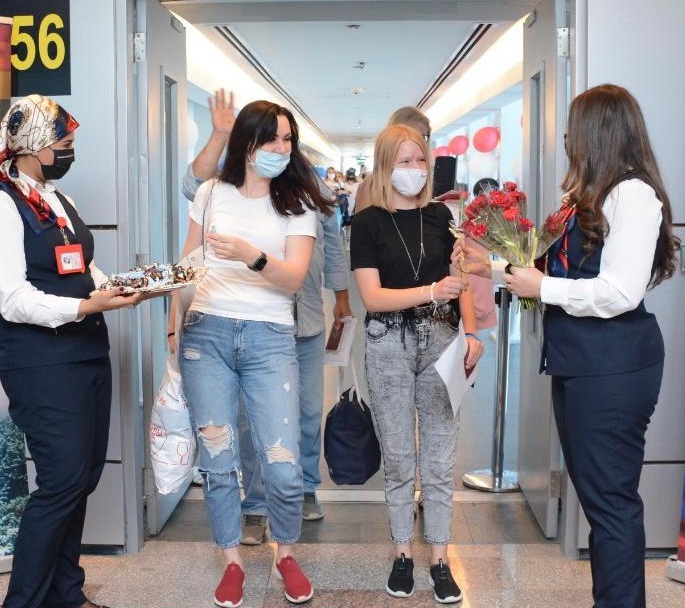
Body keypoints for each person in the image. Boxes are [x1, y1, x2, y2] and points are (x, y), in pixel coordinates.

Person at [501, 84, 679, 608]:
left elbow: (620, 293)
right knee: (602, 499)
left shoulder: (633, 195)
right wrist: (504, 268)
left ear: (597, 134)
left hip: (613, 369)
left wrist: (543, 289)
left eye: (572, 131)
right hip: (584, 365)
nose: (565, 141)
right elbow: (566, 272)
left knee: (611, 503)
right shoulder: (593, 197)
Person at [0, 94, 143, 608]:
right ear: (33, 145)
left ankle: (65, 594)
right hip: (40, 360)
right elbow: (11, 298)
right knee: (61, 481)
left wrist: (121, 287)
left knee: (83, 478)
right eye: (63, 143)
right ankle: (25, 601)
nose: (70, 152)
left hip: (86, 351)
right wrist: (86, 306)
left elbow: (81, 268)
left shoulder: (56, 198)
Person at [175, 98, 331, 607]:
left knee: (283, 463)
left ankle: (286, 552)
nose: (281, 149)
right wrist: (173, 331)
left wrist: (252, 255)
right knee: (218, 461)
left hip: (269, 337)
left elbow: (293, 278)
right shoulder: (210, 194)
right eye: (272, 139)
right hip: (206, 333)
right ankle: (232, 561)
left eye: (288, 140)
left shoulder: (297, 203)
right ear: (247, 142)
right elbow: (186, 267)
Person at [350, 124, 484, 604]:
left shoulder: (441, 215)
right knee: (400, 457)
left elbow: (459, 277)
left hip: (442, 339)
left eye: (420, 160)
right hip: (388, 341)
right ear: (386, 166)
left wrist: (472, 331)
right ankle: (403, 553)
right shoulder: (367, 223)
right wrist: (430, 291)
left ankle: (441, 559)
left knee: (440, 459)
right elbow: (373, 297)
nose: (415, 169)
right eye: (404, 161)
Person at [355, 106, 432, 213]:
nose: (416, 142)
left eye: (422, 137)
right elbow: (364, 220)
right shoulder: (371, 185)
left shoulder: (424, 178)